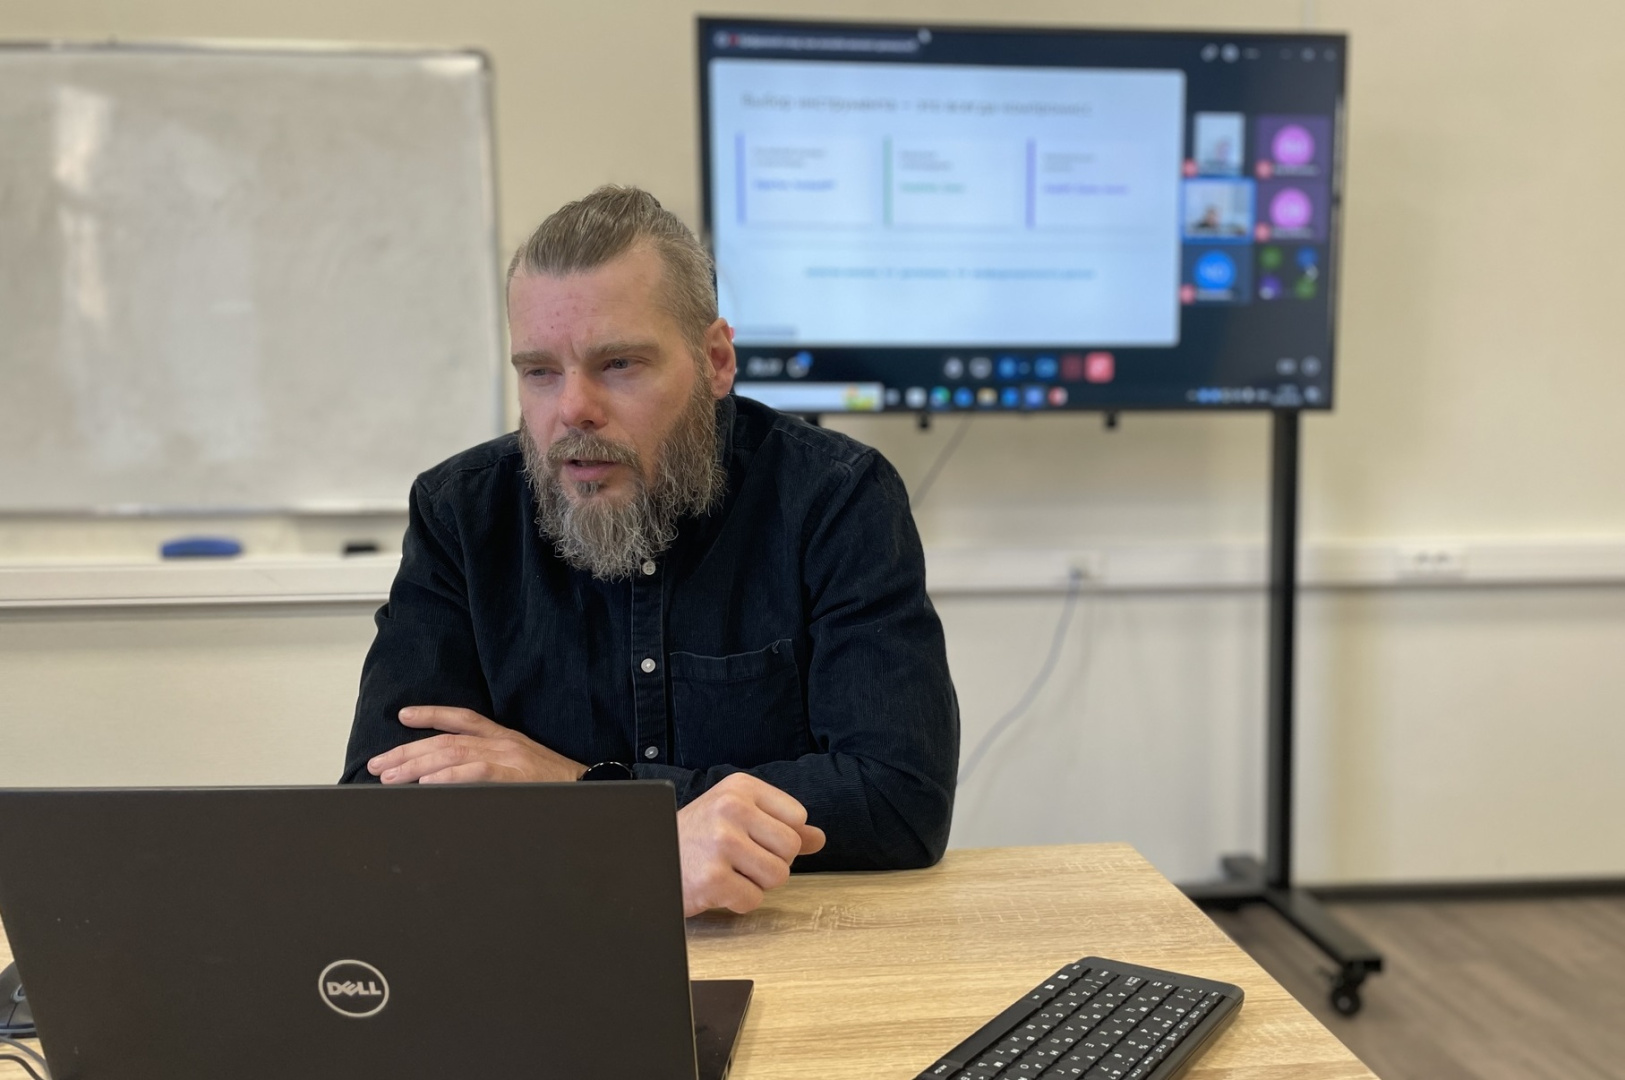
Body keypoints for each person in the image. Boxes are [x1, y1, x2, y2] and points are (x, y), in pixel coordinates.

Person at [341, 185, 958, 917]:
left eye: (619, 364)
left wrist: (582, 790)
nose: (573, 409)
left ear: (715, 360)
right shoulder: (461, 514)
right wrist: (655, 834)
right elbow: (382, 811)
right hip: (549, 934)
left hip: (789, 941)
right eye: (539, 371)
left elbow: (898, 801)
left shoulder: (834, 497)